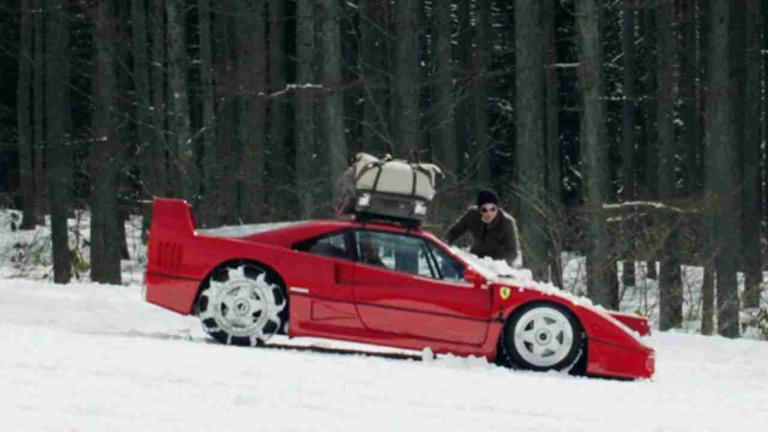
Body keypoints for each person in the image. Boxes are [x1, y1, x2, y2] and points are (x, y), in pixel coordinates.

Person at [445, 189, 520, 267]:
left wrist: (500, 266)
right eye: (484, 210)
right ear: (479, 209)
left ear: (497, 208)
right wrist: (445, 244)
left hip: (496, 264)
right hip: (475, 259)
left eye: (493, 209)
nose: (489, 213)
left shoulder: (507, 222)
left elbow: (513, 252)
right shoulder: (472, 215)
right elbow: (453, 232)